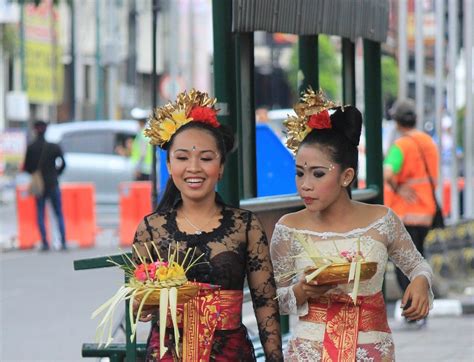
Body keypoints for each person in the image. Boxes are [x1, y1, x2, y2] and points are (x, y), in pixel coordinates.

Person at [270, 89, 433, 361]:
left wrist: (420, 281)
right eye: (299, 173)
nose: (305, 185)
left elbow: (418, 264)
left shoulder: (382, 220)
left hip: (371, 349)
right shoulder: (288, 228)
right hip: (310, 350)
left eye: (318, 174)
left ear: (347, 176)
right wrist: (301, 291)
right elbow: (271, 300)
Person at [130, 89, 283, 361]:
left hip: (229, 354)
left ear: (221, 166)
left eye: (206, 158)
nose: (194, 167)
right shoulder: (151, 228)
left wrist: (274, 357)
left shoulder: (245, 225)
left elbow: (265, 301)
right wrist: (144, 304)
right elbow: (138, 308)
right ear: (168, 163)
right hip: (168, 354)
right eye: (182, 158)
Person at [383, 99, 440, 296]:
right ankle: (421, 302)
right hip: (426, 211)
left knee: (403, 263)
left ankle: (413, 304)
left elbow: (388, 173)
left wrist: (398, 188)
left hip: (406, 213)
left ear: (397, 122)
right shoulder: (429, 143)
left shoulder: (401, 146)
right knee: (419, 259)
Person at [23, 121, 67, 251]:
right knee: (58, 213)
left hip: (39, 185)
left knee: (40, 213)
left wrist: (35, 174)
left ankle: (45, 242)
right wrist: (56, 173)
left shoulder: (31, 148)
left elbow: (26, 167)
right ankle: (63, 241)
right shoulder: (53, 146)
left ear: (35, 130)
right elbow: (64, 163)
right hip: (53, 183)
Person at [130, 107, 154, 181]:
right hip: (147, 170)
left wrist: (138, 169)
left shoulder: (143, 135)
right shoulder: (146, 133)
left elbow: (143, 153)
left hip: (143, 171)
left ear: (140, 122)